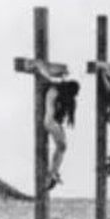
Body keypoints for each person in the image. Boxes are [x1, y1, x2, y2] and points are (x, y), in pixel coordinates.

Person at [33, 61, 80, 190]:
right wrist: (39, 67)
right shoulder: (55, 91)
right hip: (51, 122)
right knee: (62, 147)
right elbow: (46, 76)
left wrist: (62, 74)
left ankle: (53, 172)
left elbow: (51, 78)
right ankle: (52, 173)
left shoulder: (57, 91)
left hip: (53, 122)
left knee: (62, 147)